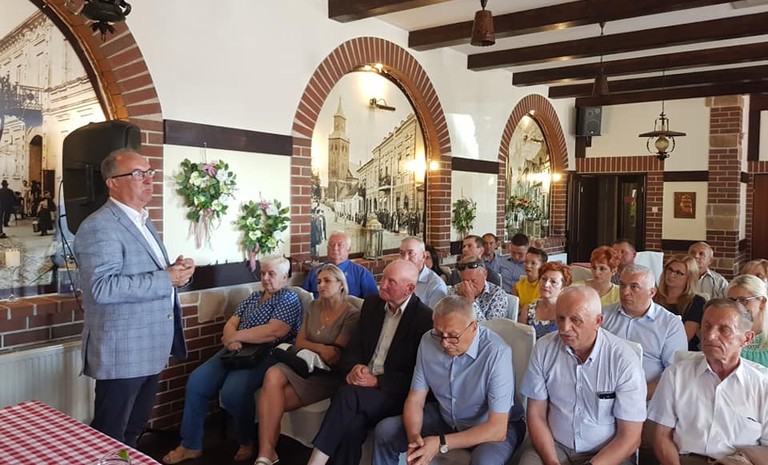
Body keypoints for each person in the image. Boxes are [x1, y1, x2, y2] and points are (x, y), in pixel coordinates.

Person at [75, 149, 196, 447]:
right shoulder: (99, 226)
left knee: (133, 431)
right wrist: (166, 278)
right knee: (109, 437)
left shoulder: (143, 221)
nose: (149, 180)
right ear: (112, 182)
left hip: (149, 347)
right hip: (122, 351)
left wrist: (177, 273)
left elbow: (151, 274)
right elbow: (102, 288)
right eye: (138, 174)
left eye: (150, 172)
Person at [162, 256, 302, 464]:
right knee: (197, 382)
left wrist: (236, 336)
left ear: (285, 277)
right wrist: (230, 338)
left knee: (233, 392)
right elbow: (232, 322)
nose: (265, 278)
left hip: (266, 353)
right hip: (235, 349)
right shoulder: (254, 296)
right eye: (263, 273)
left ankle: (247, 440)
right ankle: (190, 445)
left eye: (271, 274)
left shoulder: (288, 298)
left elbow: (274, 331)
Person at [305, 260, 433, 465]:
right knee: (352, 424)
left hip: (393, 393)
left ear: (409, 289)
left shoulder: (423, 319)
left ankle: (315, 462)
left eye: (391, 282)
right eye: (383, 278)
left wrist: (377, 381)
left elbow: (417, 376)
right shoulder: (372, 305)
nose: (383, 285)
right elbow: (353, 349)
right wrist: (354, 368)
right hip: (360, 388)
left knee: (347, 395)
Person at [373, 295, 526, 465]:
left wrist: (441, 443)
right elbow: (416, 399)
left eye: (453, 336)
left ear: (473, 327)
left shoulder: (497, 352)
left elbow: (497, 429)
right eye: (439, 333)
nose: (444, 343)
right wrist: (414, 438)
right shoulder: (428, 341)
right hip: (447, 417)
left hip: (492, 425)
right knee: (386, 431)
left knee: (484, 462)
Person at [518, 286, 647, 465]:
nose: (564, 328)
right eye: (560, 318)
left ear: (598, 321)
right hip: (554, 445)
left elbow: (630, 437)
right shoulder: (544, 348)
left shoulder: (623, 360)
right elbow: (536, 414)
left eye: (575, 320)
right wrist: (551, 461)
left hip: (607, 453)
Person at [255, 264, 360, 465]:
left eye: (327, 281)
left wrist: (317, 348)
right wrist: (320, 347)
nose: (321, 285)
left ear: (341, 285)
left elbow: (334, 355)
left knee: (270, 401)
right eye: (319, 281)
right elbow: (299, 342)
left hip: (326, 375)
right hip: (302, 364)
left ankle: (266, 454)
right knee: (272, 373)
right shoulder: (313, 306)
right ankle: (266, 452)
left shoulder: (351, 314)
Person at [648, 299, 768, 464]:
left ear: (746, 339)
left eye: (724, 330)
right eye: (706, 326)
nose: (710, 335)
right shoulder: (676, 374)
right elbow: (661, 436)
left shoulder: (762, 385)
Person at [602, 265, 688, 464]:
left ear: (652, 292)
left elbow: (673, 374)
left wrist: (631, 396)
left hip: (647, 402)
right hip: (602, 396)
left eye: (634, 287)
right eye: (622, 285)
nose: (625, 292)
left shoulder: (669, 325)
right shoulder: (603, 316)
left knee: (647, 441)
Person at [303, 230, 378, 299]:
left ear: (349, 250)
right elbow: (304, 299)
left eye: (340, 245)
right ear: (327, 248)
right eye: (331, 244)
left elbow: (373, 303)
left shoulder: (362, 274)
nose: (335, 248)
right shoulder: (315, 272)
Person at [654, 255, 706, 351]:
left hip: (681, 351)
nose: (671, 275)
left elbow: (684, 337)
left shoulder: (696, 302)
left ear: (689, 277)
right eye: (670, 270)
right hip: (650, 347)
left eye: (679, 273)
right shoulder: (653, 296)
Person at [519, 261, 572, 339]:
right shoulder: (528, 309)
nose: (546, 284)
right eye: (544, 279)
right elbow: (520, 339)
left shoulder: (568, 312)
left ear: (563, 287)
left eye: (553, 282)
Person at [726, 275, 768, 367]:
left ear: (762, 302)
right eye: (731, 301)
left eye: (743, 300)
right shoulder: (725, 335)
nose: (737, 306)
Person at [399, 237, 448, 309]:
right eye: (402, 253)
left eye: (410, 253)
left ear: (423, 256)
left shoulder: (436, 285)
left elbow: (434, 315)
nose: (405, 258)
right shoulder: (397, 277)